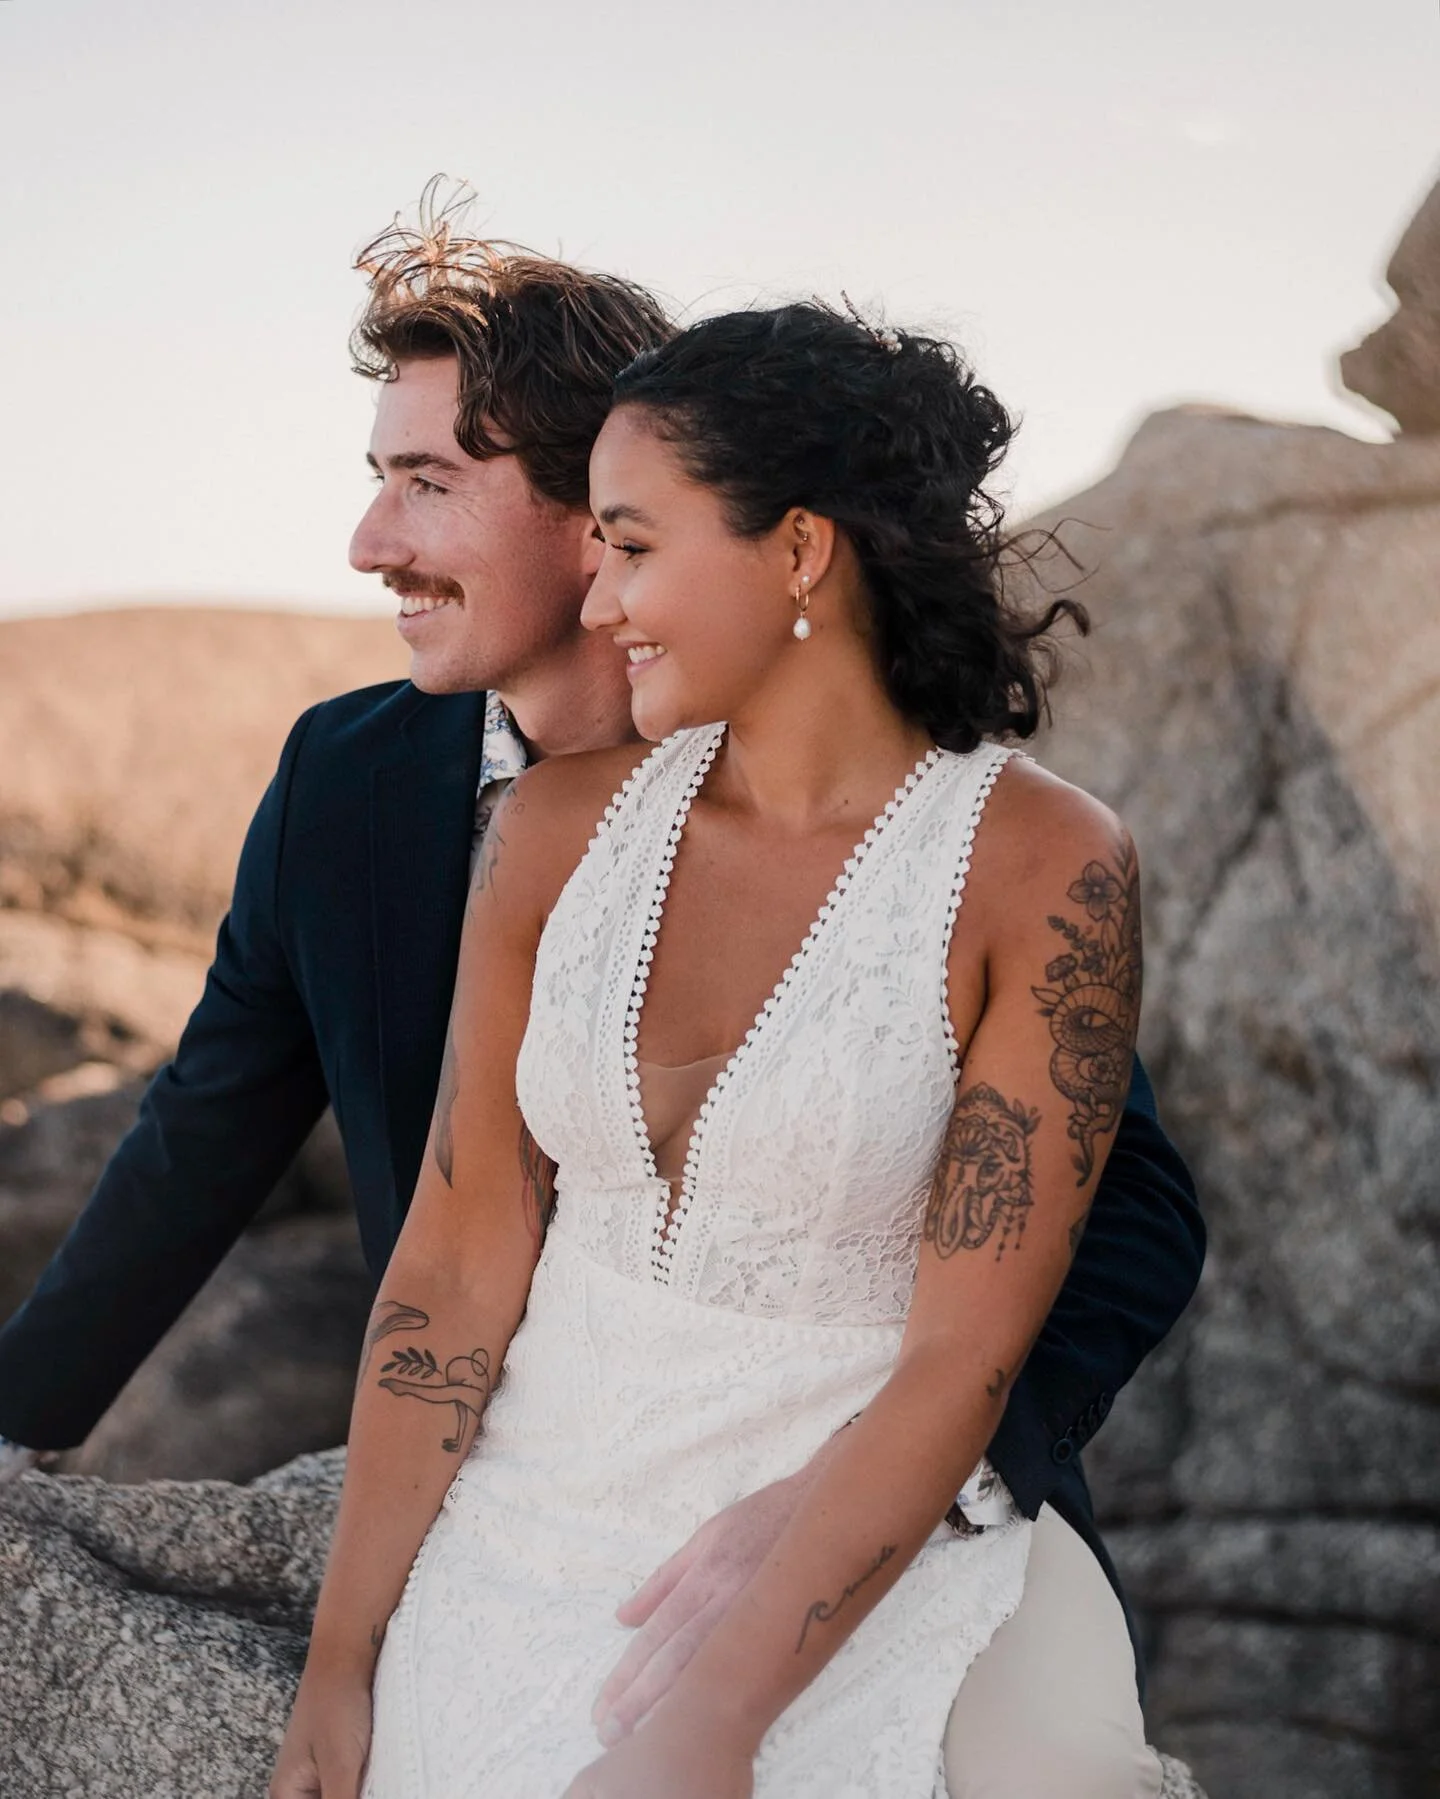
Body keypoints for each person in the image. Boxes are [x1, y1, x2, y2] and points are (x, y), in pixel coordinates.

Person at [0, 211, 1203, 1798]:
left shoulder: (1010, 856)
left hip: (871, 1490)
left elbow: (1116, 1218)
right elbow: (240, 1159)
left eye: (428, 482)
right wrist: (38, 1451)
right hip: (523, 1477)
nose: (372, 541)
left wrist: (926, 1491)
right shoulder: (411, 797)